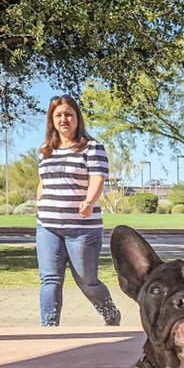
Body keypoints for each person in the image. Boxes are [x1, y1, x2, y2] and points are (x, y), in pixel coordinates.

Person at [35, 95, 121, 327]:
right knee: (50, 279)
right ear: (52, 120)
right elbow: (43, 182)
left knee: (87, 280)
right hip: (48, 226)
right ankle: (49, 327)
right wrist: (39, 203)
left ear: (77, 118)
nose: (64, 119)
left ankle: (111, 314)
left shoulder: (92, 147)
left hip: (83, 228)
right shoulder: (45, 150)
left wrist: (89, 201)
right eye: (58, 115)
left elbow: (97, 178)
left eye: (68, 114)